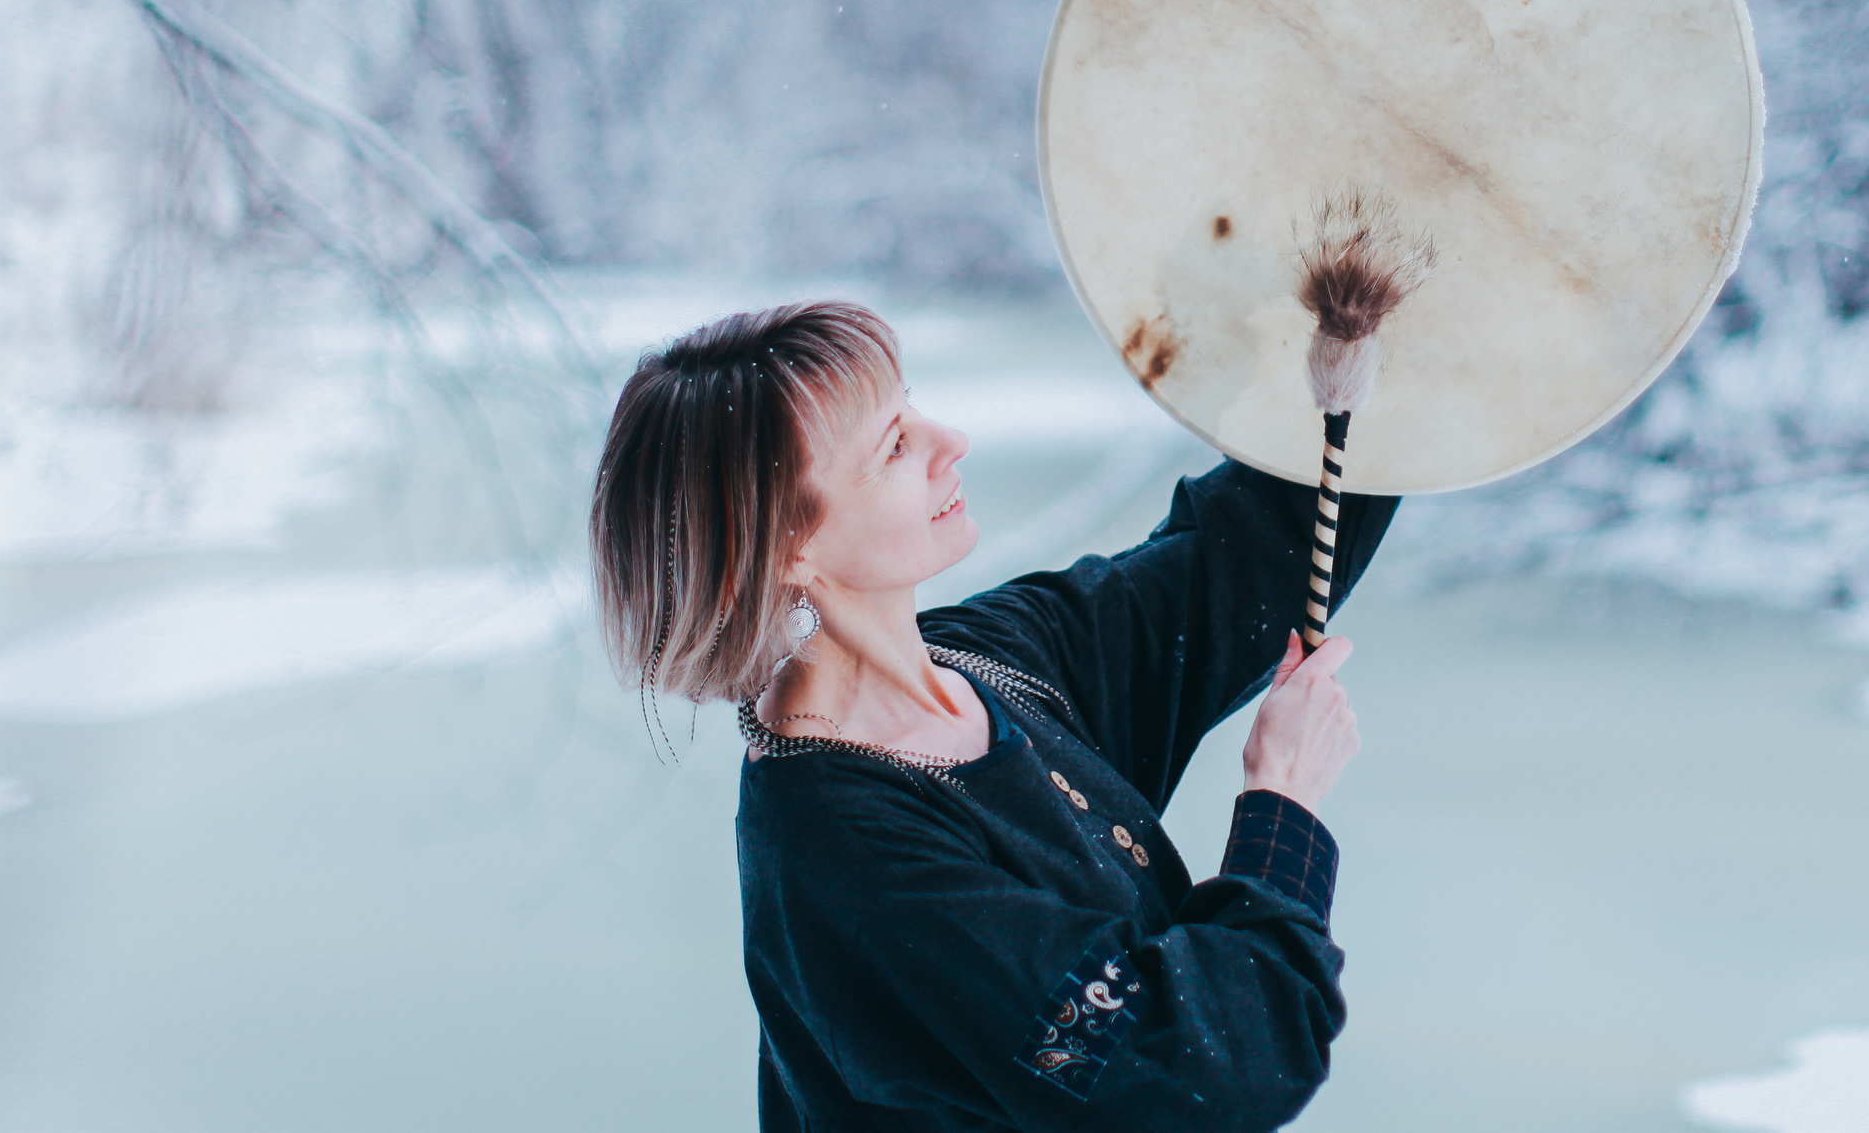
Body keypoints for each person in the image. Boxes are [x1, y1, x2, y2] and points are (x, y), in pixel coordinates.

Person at [588, 300, 1397, 1132]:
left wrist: (1386, 356)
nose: (951, 442)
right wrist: (1283, 803)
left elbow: (1231, 564)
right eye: (894, 446)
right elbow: (1206, 1070)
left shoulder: (983, 658)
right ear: (786, 544)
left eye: (912, 405)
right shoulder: (850, 859)